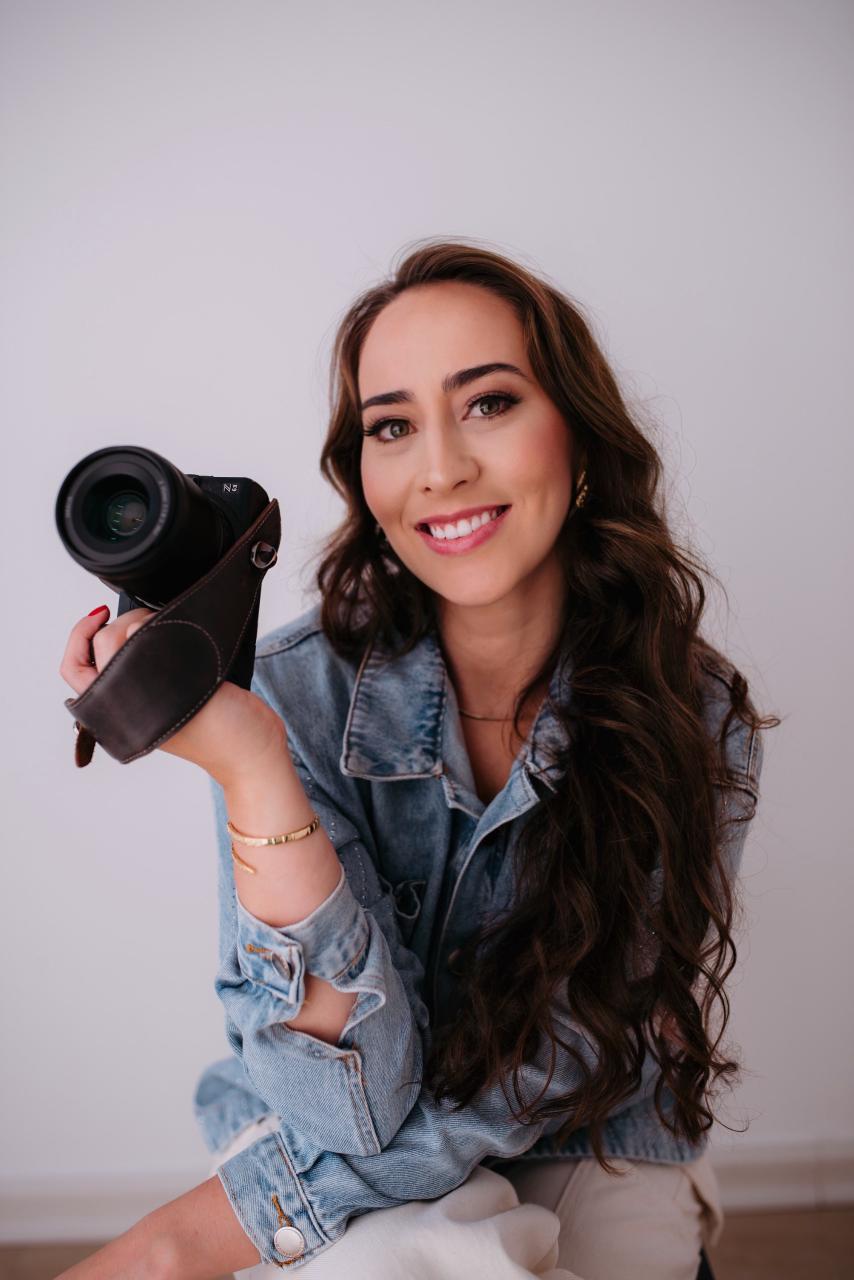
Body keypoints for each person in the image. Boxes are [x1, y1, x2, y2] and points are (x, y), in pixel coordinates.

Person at [57, 240, 776, 1280]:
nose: (440, 468)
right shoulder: (291, 693)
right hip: (323, 1130)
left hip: (589, 1128)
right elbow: (342, 1108)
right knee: (388, 1260)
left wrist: (172, 1247)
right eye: (391, 425)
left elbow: (550, 1068)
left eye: (488, 403)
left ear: (580, 439)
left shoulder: (690, 712)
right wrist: (254, 767)